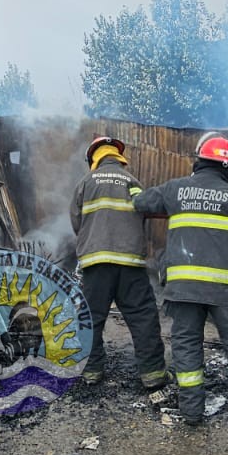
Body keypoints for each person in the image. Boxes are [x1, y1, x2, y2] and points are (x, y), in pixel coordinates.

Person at [132, 133, 228, 431]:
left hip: (182, 290)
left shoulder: (175, 190)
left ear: (198, 162)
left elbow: (141, 202)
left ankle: (191, 411)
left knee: (186, 344)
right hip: (224, 291)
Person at [69, 135, 168, 390]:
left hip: (96, 263)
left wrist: (92, 239)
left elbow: (77, 222)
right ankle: (153, 373)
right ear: (118, 157)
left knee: (90, 317)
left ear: (94, 158)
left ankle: (91, 371)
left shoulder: (85, 183)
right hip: (129, 262)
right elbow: (144, 211)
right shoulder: (133, 182)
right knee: (142, 316)